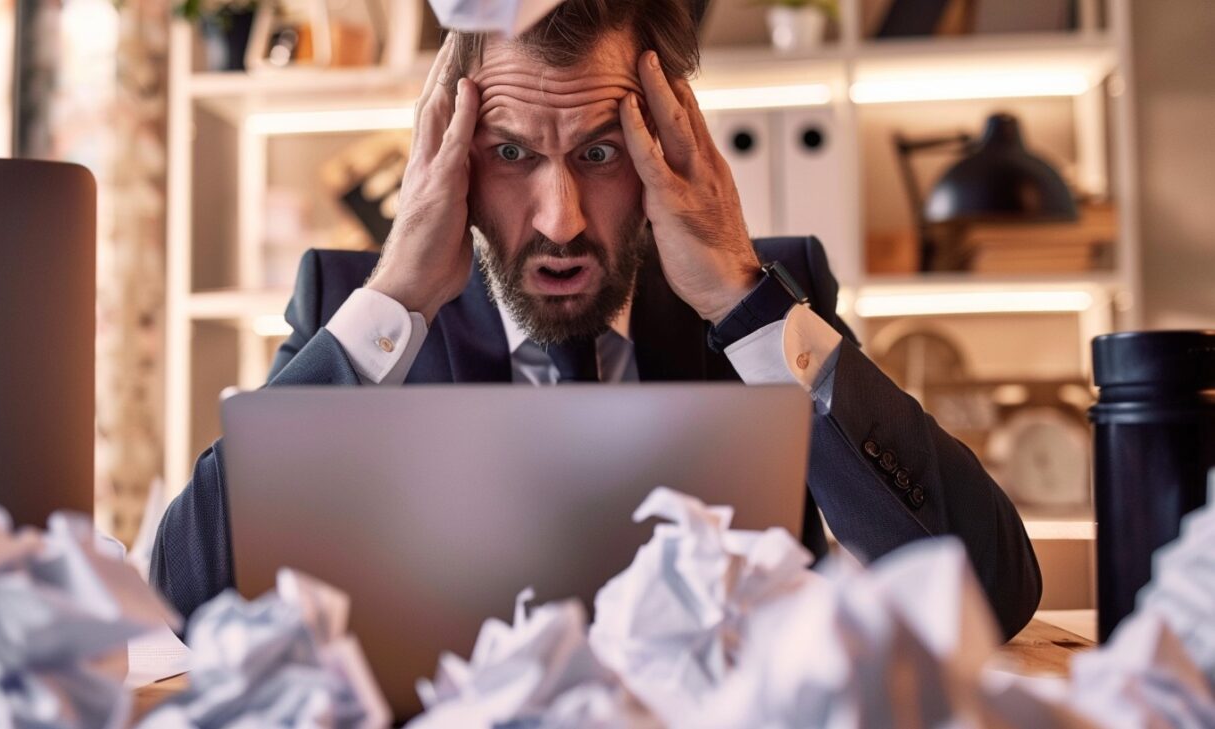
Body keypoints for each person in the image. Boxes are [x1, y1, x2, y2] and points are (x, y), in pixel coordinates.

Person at [152, 0, 1042, 639]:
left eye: (601, 151)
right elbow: (190, 594)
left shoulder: (773, 297)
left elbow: (988, 593)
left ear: (670, 143)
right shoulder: (358, 312)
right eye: (510, 153)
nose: (560, 218)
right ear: (449, 154)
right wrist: (395, 299)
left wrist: (743, 297)